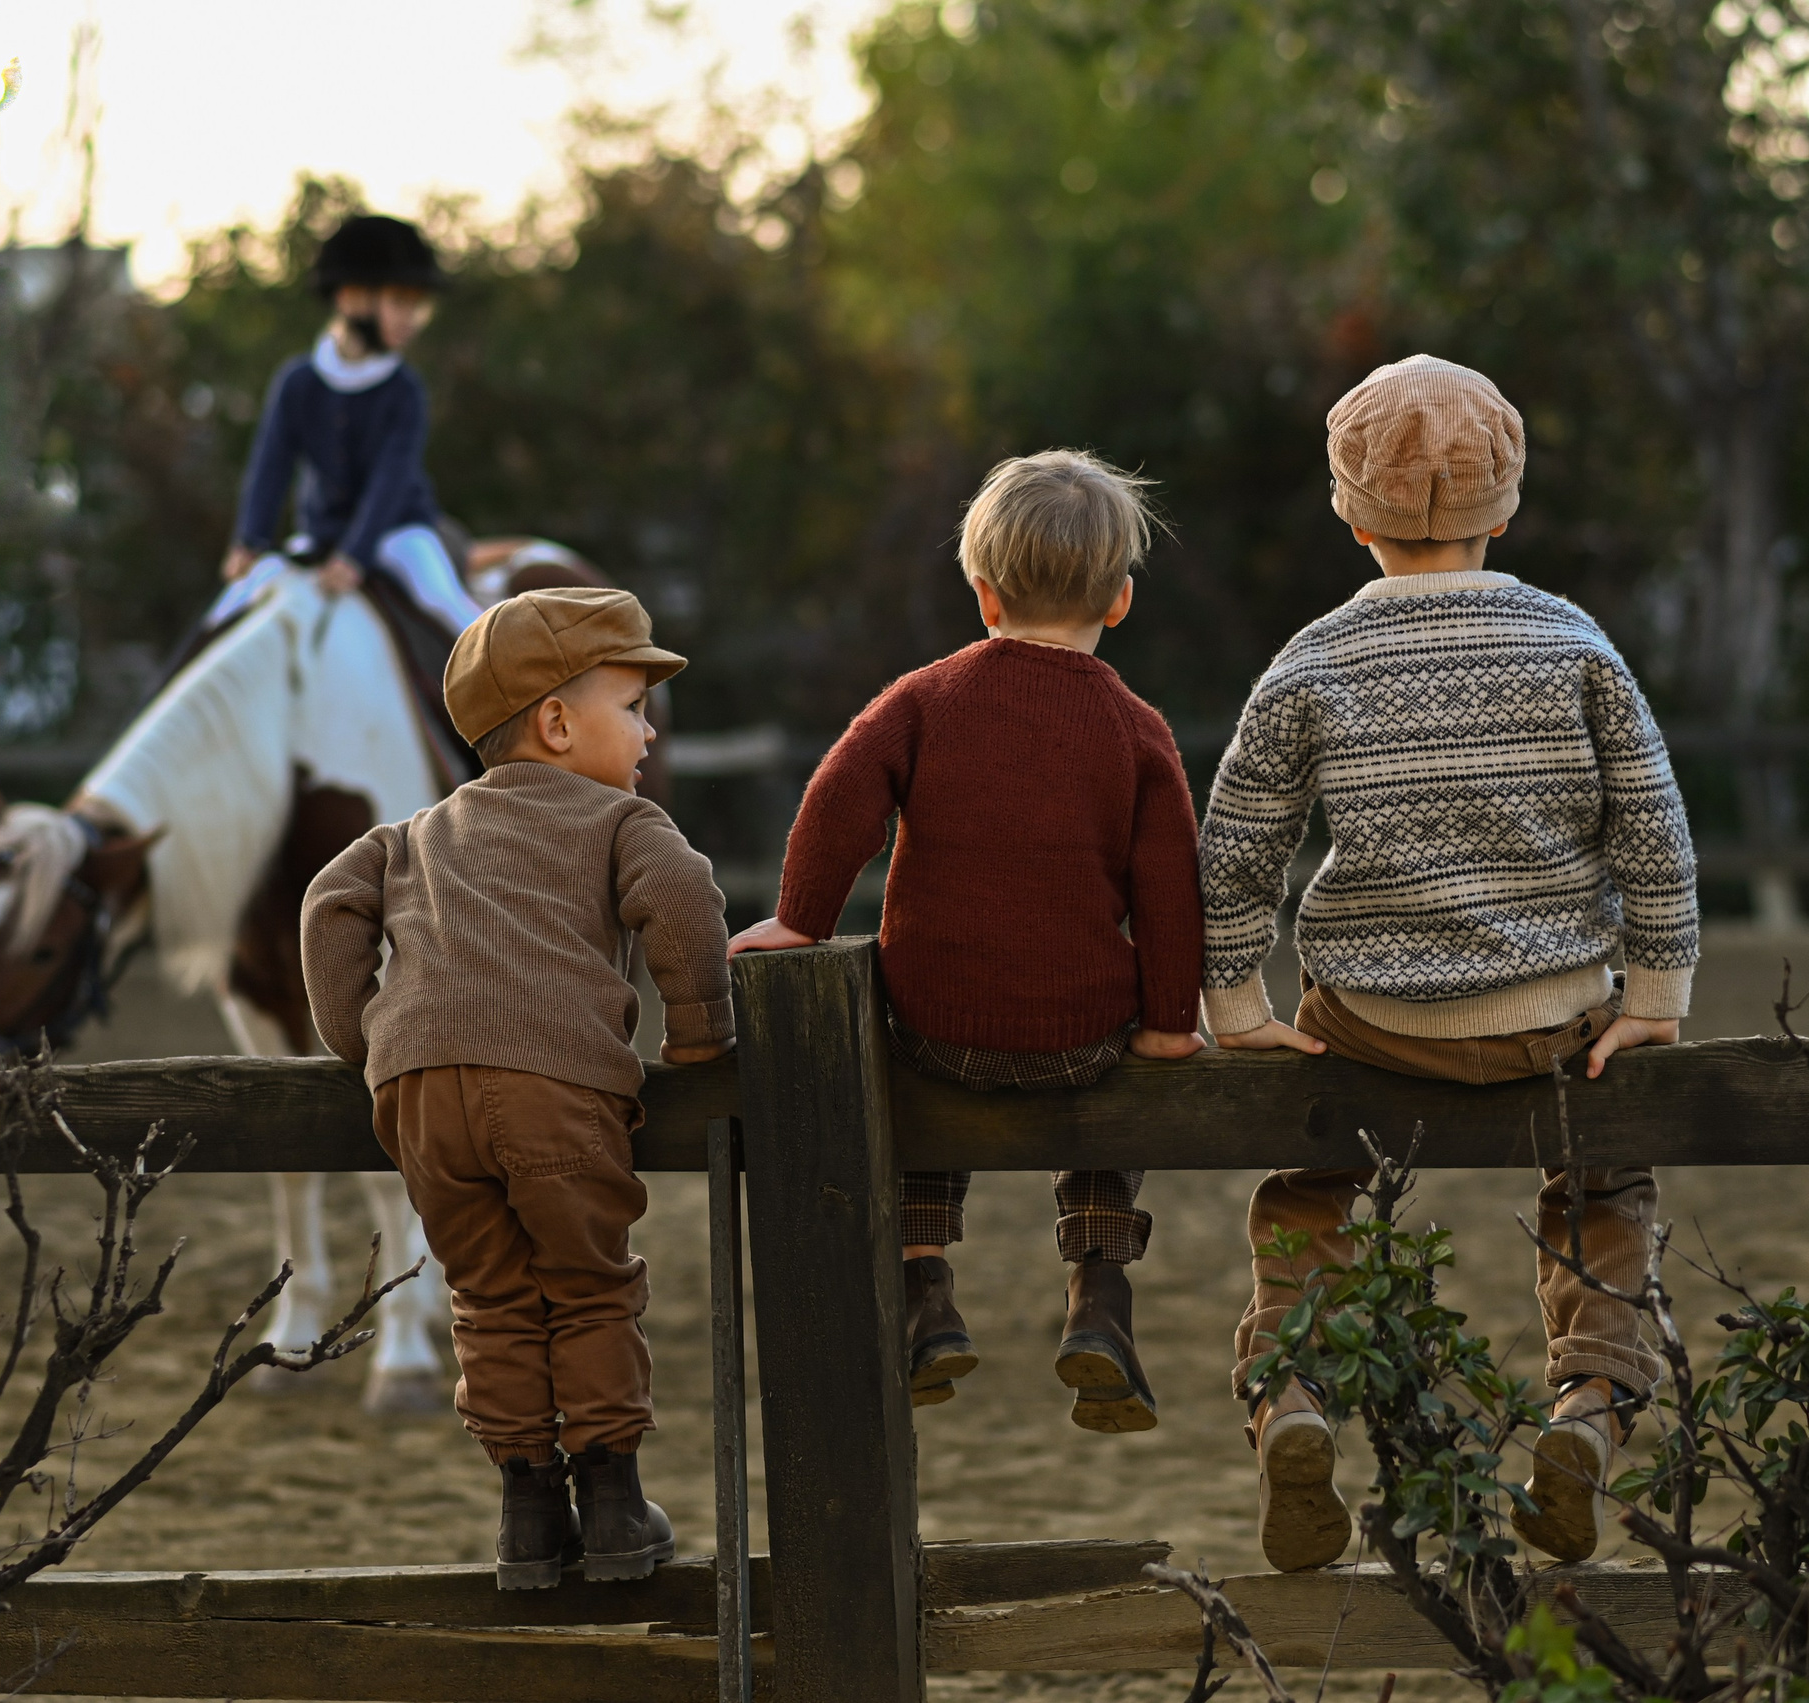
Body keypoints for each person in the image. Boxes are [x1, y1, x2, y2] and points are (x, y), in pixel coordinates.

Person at [1199, 354, 1701, 1571]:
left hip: (1366, 1019)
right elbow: (1654, 826)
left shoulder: (1311, 659)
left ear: (1349, 512)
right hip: (1555, 1018)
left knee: (1308, 1192)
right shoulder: (1574, 639)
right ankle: (1585, 1405)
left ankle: (1296, 1397)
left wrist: (1237, 1003)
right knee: (1603, 1192)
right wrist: (1654, 997)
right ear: (1509, 508)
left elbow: (1237, 846)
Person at [730, 449, 1205, 1434]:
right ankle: (1099, 1287)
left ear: (983, 595)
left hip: (936, 1022)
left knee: (899, 1089)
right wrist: (1164, 1019)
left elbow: (836, 801)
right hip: (1080, 1033)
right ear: (1118, 599)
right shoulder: (1136, 727)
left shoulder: (922, 699)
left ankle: (924, 1289)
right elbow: (1170, 889)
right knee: (1117, 1110)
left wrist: (800, 919)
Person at [299, 585, 734, 1591]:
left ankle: (528, 1513)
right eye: (631, 704)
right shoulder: (621, 820)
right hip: (553, 1083)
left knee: (490, 1293)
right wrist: (703, 1035)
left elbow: (330, 906)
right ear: (555, 721)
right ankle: (615, 1502)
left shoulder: (412, 833)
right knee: (587, 1281)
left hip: (419, 1096)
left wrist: (363, 1037)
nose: (646, 728)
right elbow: (680, 899)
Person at [221, 213, 483, 633]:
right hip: (320, 537)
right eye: (401, 302)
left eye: (419, 306)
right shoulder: (298, 382)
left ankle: (513, 682)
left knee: (443, 601)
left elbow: (391, 480)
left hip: (399, 533)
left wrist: (355, 555)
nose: (412, 319)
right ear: (352, 297)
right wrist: (250, 540)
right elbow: (271, 465)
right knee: (231, 605)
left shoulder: (404, 391)